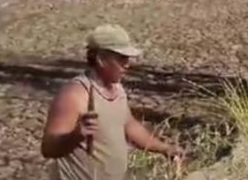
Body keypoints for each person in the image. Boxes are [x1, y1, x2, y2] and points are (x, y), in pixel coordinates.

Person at [41, 24, 185, 180]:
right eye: (122, 58)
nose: (127, 64)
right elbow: (49, 149)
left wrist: (165, 149)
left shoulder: (117, 89)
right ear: (101, 59)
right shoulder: (74, 95)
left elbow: (129, 126)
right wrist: (77, 134)